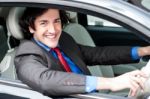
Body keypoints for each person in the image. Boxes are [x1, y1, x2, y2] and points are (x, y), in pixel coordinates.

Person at [14, 7, 149, 97]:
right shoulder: (26, 55)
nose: (53, 30)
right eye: (44, 23)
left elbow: (97, 54)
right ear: (31, 28)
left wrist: (143, 50)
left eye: (56, 21)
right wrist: (111, 83)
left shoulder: (64, 40)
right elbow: (45, 80)